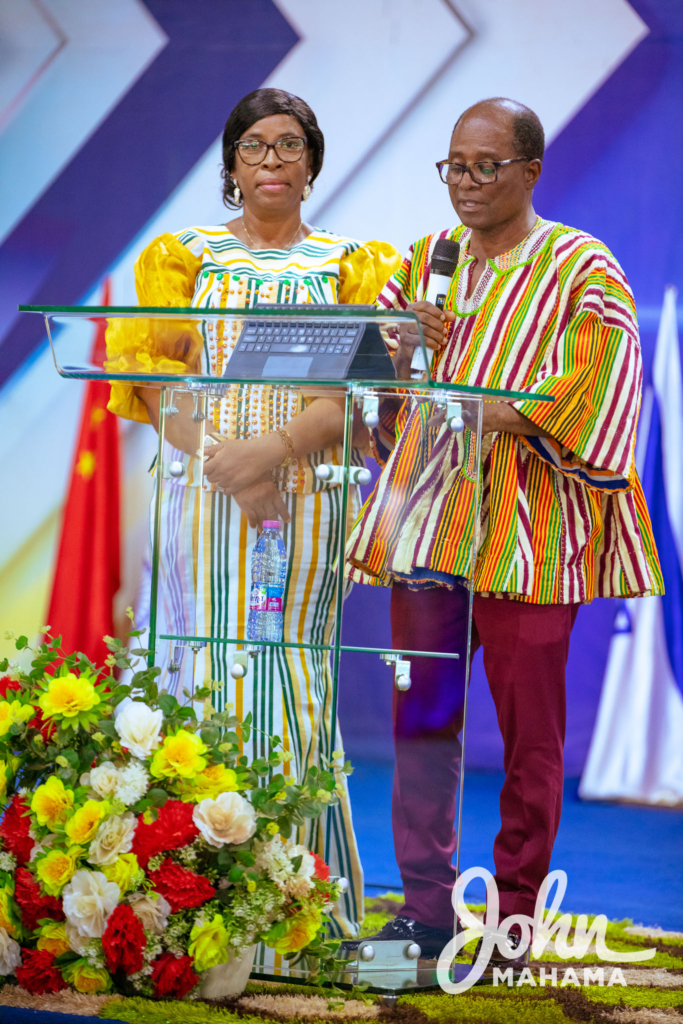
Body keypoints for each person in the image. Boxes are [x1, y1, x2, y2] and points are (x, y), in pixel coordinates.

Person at [345, 98, 663, 962]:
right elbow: (371, 392)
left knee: (530, 735)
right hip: (430, 528)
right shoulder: (423, 262)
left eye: (486, 166)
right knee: (422, 723)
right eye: (453, 165)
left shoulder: (579, 265)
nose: (466, 183)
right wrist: (404, 350)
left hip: (533, 531)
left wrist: (502, 415)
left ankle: (515, 916)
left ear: (529, 170)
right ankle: (425, 907)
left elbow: (605, 376)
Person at [106, 88, 401, 946]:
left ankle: (293, 910)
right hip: (201, 496)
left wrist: (268, 457)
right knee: (204, 662)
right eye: (254, 148)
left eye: (288, 146)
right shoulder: (178, 257)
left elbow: (363, 391)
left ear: (312, 161)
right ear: (230, 165)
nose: (271, 162)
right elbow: (148, 379)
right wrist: (225, 466)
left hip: (306, 498)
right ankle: (195, 903)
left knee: (290, 673)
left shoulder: (356, 263)